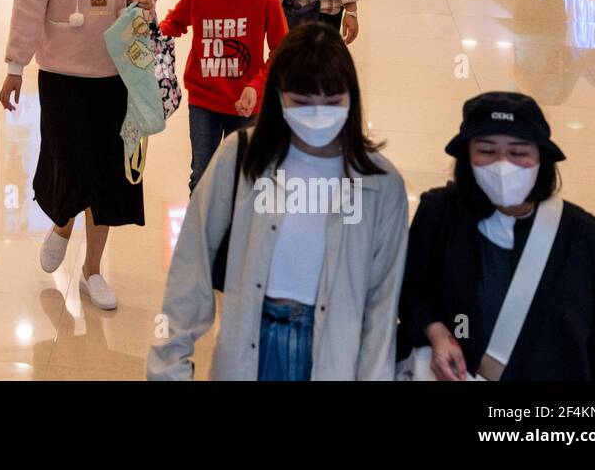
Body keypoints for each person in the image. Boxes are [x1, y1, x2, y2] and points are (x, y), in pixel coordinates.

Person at [147, 23, 407, 380]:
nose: (317, 113)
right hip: (251, 346)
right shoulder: (240, 157)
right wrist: (169, 363)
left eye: (332, 102)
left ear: (353, 97)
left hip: (334, 355)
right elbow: (192, 263)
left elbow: (383, 301)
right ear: (278, 95)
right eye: (301, 102)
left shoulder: (381, 183)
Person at [398, 91, 595, 381]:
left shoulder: (583, 236)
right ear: (467, 156)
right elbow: (413, 292)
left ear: (542, 158)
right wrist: (437, 331)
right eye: (486, 151)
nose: (503, 165)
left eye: (519, 153)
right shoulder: (440, 213)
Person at [0, 0, 158, 311]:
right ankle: (62, 225)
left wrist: (147, 1)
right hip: (62, 73)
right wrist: (15, 66)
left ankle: (93, 271)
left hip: (115, 73)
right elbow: (28, 4)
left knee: (109, 175)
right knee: (65, 162)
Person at [160, 0, 288, 191]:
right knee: (201, 175)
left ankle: (237, 231)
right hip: (204, 100)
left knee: (242, 177)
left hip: (245, 104)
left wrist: (256, 86)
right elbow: (174, 24)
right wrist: (147, 33)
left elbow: (281, 51)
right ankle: (202, 233)